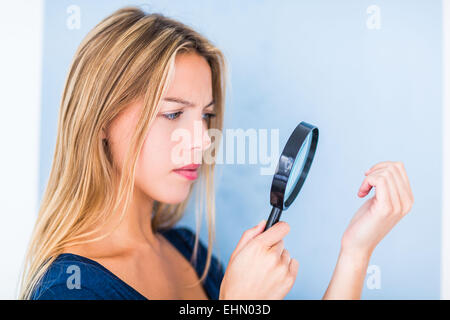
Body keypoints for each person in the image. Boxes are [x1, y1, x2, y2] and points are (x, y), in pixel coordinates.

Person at [19, 6, 414, 300]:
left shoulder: (190, 252)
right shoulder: (68, 290)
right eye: (173, 113)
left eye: (205, 116)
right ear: (102, 120)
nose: (202, 140)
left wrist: (356, 251)